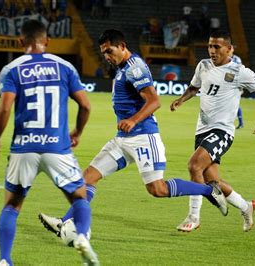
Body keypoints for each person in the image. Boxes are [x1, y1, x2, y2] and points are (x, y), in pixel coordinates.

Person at [38, 29, 228, 237]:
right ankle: (65, 222)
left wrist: (133, 120)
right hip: (122, 140)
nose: (107, 57)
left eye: (109, 51)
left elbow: (154, 101)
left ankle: (210, 190)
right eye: (104, 53)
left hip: (143, 138)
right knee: (88, 177)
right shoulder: (122, 68)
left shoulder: (134, 68)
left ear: (122, 46)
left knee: (158, 189)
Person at [0, 20, 99, 266]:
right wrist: (77, 132)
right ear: (47, 41)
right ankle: (81, 236)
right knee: (79, 197)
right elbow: (86, 105)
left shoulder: (12, 69)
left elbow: (4, 108)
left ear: (20, 42)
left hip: (23, 147)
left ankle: (5, 260)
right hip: (57, 146)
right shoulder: (65, 67)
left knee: (12, 206)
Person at [169, 30, 255, 232]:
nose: (212, 51)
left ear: (229, 49)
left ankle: (193, 217)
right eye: (210, 46)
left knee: (193, 165)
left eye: (217, 47)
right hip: (202, 130)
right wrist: (181, 100)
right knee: (212, 180)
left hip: (223, 131)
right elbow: (193, 88)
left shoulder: (240, 72)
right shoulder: (203, 66)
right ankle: (246, 206)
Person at [229, 45, 244, 129]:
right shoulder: (225, 58)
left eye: (231, 48)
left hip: (235, 84)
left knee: (235, 103)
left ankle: (240, 123)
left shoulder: (236, 59)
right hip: (227, 83)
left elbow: (239, 71)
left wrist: (241, 87)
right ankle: (239, 123)